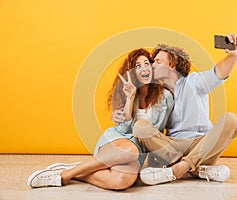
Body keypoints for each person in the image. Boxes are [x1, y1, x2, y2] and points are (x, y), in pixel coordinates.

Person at [27, 48, 174, 190]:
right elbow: (123, 129)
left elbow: (167, 128)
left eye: (146, 63)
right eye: (138, 66)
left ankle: (76, 170)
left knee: (121, 181)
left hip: (139, 149)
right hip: (119, 140)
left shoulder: (165, 96)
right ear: (133, 73)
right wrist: (130, 97)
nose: (144, 68)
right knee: (130, 149)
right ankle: (64, 176)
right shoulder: (125, 92)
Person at [131, 33, 237, 185]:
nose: (153, 65)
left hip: (202, 144)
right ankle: (198, 169)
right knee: (140, 127)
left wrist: (232, 57)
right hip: (172, 147)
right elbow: (150, 126)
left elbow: (219, 72)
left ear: (172, 65)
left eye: (158, 61)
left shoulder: (194, 81)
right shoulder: (157, 93)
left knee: (231, 120)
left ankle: (178, 169)